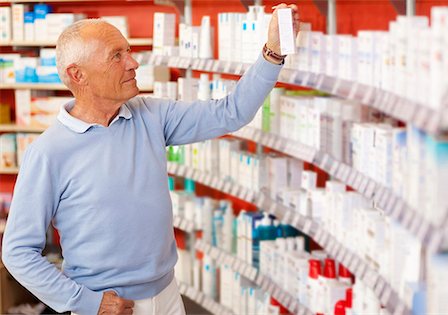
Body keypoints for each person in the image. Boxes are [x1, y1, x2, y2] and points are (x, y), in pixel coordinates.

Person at [2, 3, 299, 315]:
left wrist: (273, 53)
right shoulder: (49, 152)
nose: (133, 63)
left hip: (168, 295)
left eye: (128, 51)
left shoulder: (151, 116)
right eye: (116, 55)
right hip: (110, 306)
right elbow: (18, 251)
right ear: (78, 75)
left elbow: (231, 113)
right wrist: (86, 303)